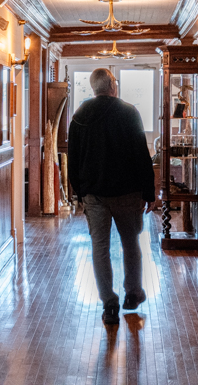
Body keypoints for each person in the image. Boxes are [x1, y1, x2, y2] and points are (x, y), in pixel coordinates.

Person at [68, 68, 159, 326]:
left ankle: (109, 303)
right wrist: (149, 192)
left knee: (100, 248)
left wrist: (80, 192)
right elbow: (142, 157)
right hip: (128, 193)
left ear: (93, 88)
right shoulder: (129, 112)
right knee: (131, 244)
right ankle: (133, 294)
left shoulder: (79, 116)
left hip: (94, 195)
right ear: (112, 86)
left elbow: (72, 161)